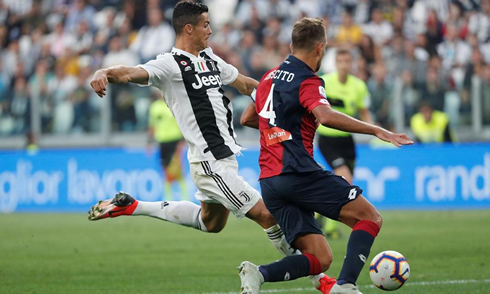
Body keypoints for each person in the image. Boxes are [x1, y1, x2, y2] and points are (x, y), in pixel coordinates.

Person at [87, 2, 331, 292]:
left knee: (210, 223)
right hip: (210, 162)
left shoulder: (210, 59)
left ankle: (132, 205)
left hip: (223, 160)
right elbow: (131, 72)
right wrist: (104, 71)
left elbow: (244, 84)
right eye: (205, 24)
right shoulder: (169, 64)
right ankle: (322, 281)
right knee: (267, 215)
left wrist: (280, 94)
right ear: (189, 28)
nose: (211, 29)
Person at [238, 17, 412, 294]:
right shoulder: (308, 79)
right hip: (297, 172)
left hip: (270, 181)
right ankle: (345, 286)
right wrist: (377, 130)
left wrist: (279, 128)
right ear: (320, 49)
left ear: (292, 45)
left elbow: (248, 117)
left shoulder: (268, 77)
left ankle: (258, 274)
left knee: (320, 259)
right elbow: (326, 116)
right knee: (369, 218)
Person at [315, 48, 374, 239]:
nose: (344, 65)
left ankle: (319, 212)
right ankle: (330, 227)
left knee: (344, 186)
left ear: (352, 64)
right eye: (340, 61)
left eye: (347, 61)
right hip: (328, 138)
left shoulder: (359, 86)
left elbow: (364, 112)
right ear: (335, 63)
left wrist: (376, 130)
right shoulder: (325, 83)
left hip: (347, 140)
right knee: (344, 178)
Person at [147, 89, 187, 200]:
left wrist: (182, 141)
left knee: (177, 171)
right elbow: (152, 126)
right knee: (165, 171)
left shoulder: (175, 104)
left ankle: (185, 198)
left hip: (175, 140)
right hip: (162, 142)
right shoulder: (154, 107)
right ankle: (168, 199)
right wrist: (149, 143)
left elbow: (182, 123)